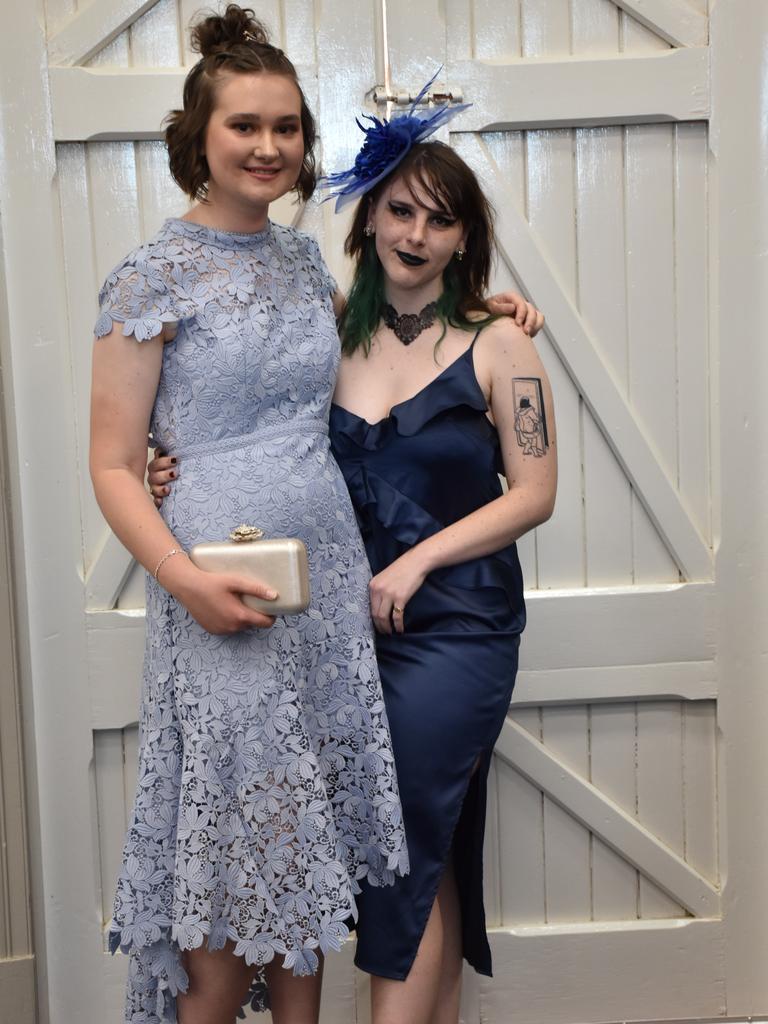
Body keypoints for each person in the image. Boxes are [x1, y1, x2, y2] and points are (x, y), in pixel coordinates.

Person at [89, 7, 414, 1023]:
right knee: (235, 844)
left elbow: (383, 354)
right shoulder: (150, 276)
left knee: (300, 838)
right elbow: (108, 464)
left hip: (320, 582)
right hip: (215, 585)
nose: (270, 146)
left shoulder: (306, 264)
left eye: (286, 126)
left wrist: (490, 312)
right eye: (246, 126)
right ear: (201, 136)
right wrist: (186, 581)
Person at [324, 113, 557, 1022]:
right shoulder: (329, 334)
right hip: (347, 633)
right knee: (434, 842)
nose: (416, 236)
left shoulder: (501, 342)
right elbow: (254, 440)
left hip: (459, 629)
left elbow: (533, 493)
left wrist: (416, 560)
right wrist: (162, 466)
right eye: (400, 212)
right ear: (369, 219)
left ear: (466, 236)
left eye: (440, 220)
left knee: (401, 841)